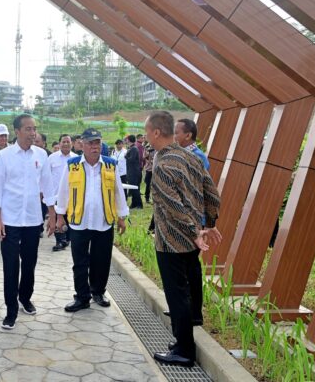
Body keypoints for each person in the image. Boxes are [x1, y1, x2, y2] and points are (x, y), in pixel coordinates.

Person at [145, 111, 221, 368]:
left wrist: (193, 231)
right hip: (192, 240)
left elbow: (171, 205)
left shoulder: (163, 164)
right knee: (186, 291)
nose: (147, 136)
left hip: (171, 241)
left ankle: (184, 350)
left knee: (177, 295)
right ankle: (181, 341)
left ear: (156, 132)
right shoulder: (192, 157)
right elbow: (212, 193)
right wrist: (208, 225)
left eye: (147, 132)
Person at [0, 114, 56, 330]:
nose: (32, 133)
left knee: (29, 263)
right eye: (28, 129)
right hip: (9, 219)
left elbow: (47, 185)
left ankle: (25, 298)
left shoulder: (41, 155)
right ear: (17, 131)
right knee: (11, 266)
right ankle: (10, 310)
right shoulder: (5, 156)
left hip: (32, 219)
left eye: (34, 129)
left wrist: (53, 214)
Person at [55, 128, 129, 312]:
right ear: (82, 145)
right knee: (79, 262)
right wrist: (59, 217)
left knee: (101, 260)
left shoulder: (110, 165)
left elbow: (119, 192)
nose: (95, 146)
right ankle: (82, 297)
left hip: (103, 222)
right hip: (79, 221)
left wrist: (121, 217)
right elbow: (63, 191)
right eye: (90, 143)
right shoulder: (73, 165)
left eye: (97, 142)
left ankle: (98, 291)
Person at [47, 134, 77, 251]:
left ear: (72, 143)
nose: (65, 144)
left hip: (72, 194)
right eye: (63, 142)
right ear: (59, 144)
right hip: (56, 195)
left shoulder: (76, 159)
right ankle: (60, 240)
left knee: (69, 217)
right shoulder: (52, 158)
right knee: (57, 216)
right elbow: (46, 176)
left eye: (67, 142)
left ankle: (67, 239)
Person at [124, 135, 144, 209]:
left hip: (134, 172)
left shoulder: (134, 149)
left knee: (135, 189)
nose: (126, 141)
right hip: (131, 171)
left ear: (129, 140)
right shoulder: (132, 148)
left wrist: (125, 156)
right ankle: (134, 204)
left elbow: (131, 160)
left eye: (126, 140)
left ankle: (139, 204)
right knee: (133, 189)